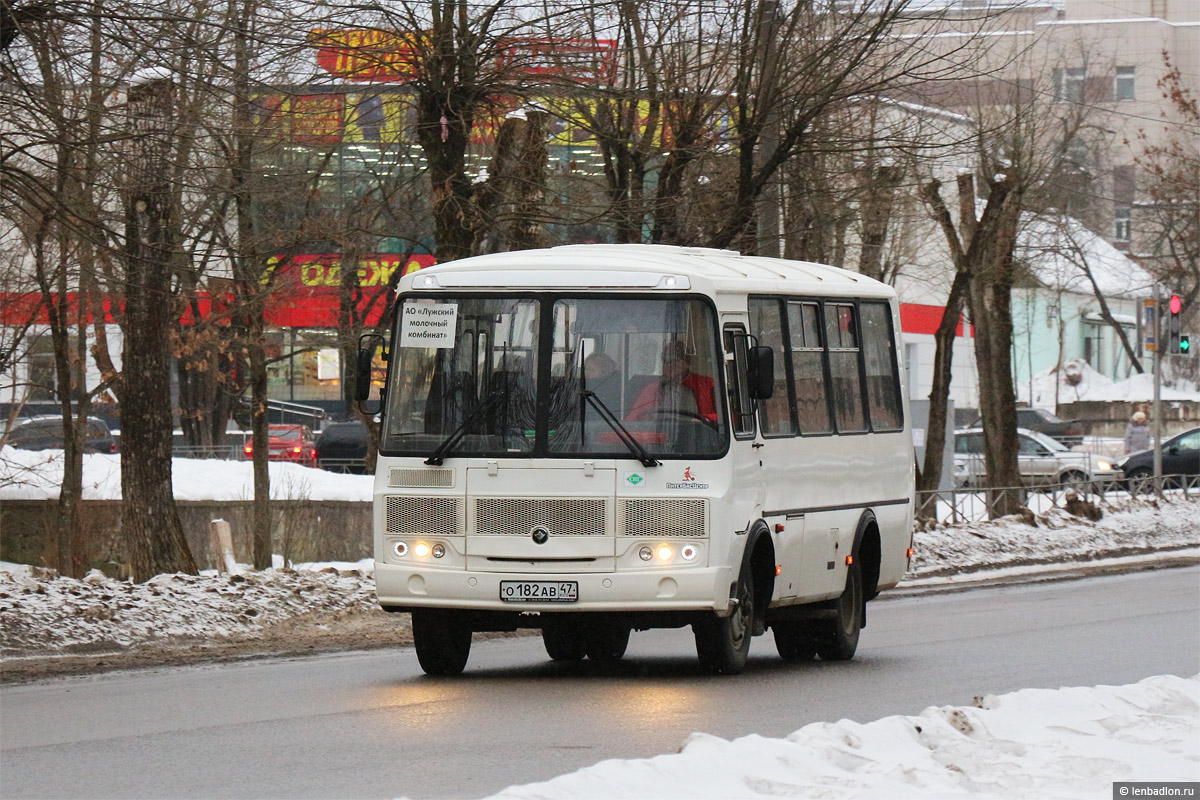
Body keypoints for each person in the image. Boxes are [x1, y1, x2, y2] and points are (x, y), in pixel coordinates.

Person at [627, 341, 717, 423]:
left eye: (676, 360)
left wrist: (704, 419)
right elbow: (632, 420)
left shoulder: (709, 384)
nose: (671, 365)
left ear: (688, 363)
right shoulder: (652, 389)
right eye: (667, 361)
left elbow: (726, 417)